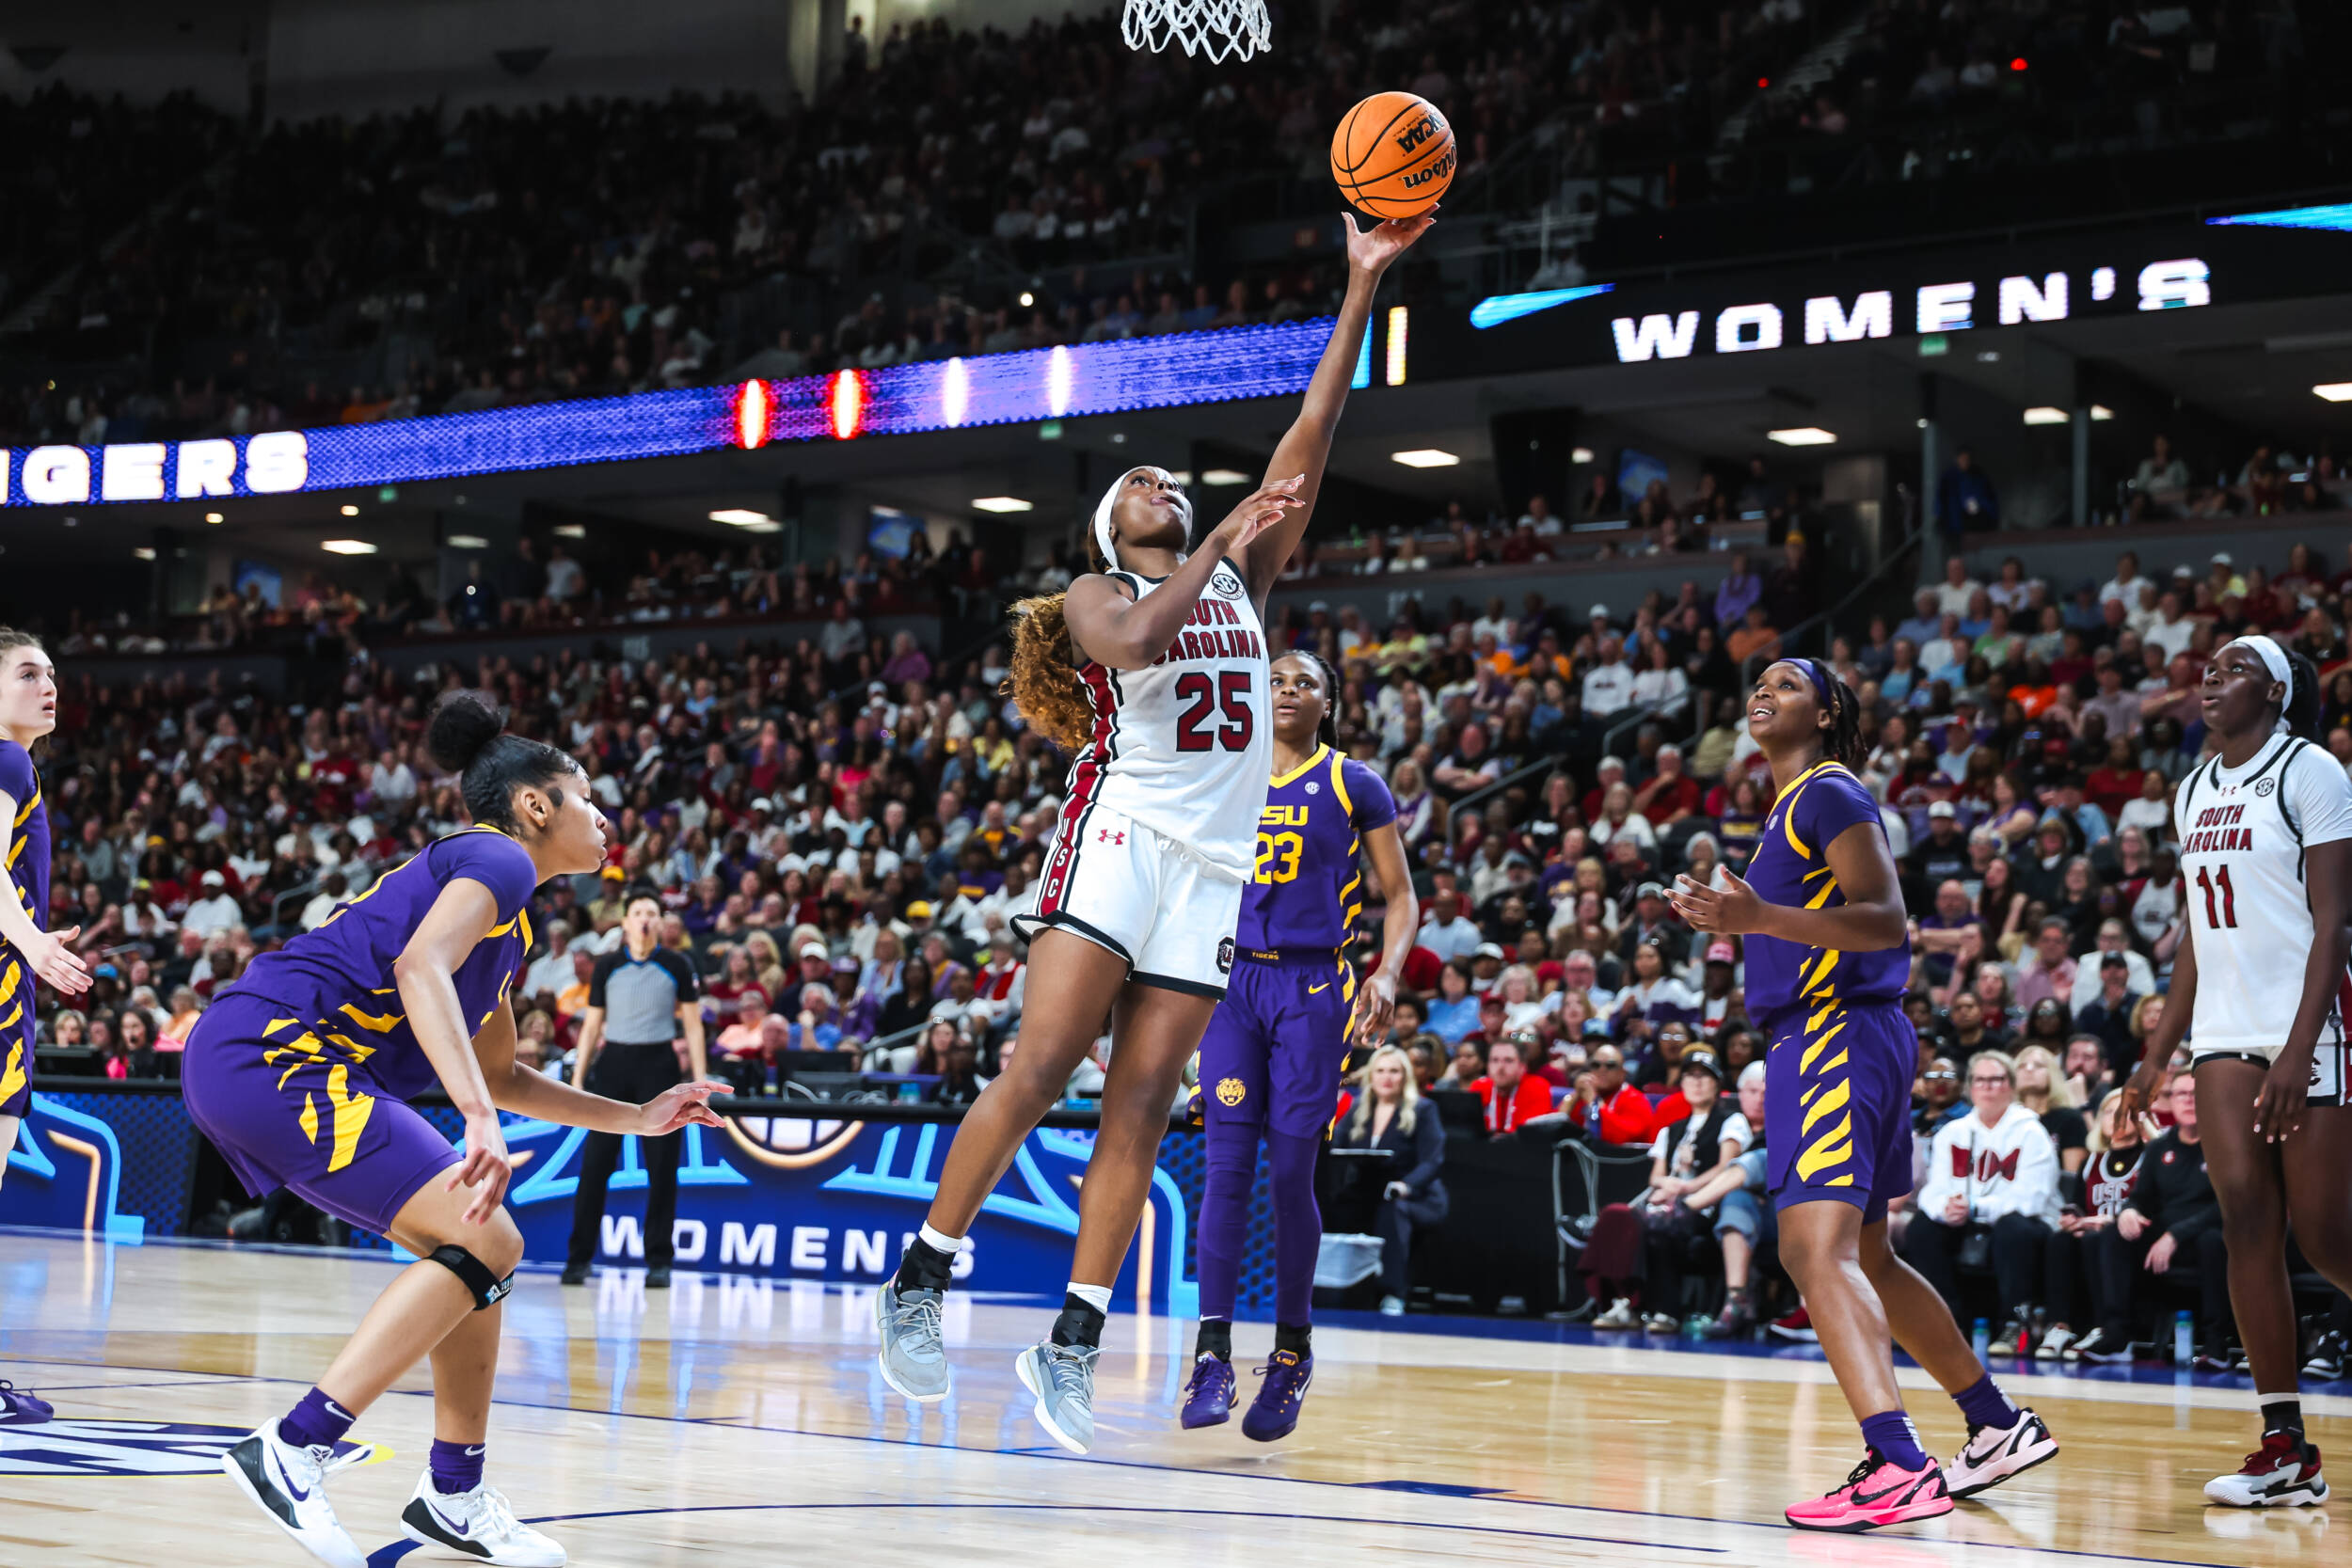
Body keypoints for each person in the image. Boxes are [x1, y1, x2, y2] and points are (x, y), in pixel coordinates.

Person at [876, 209, 1433, 1456]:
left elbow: (1315, 429)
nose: (1166, 485)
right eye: (1141, 484)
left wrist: (1357, 283)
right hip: (1122, 837)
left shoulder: (1240, 573)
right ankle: (921, 1274)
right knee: (1041, 1067)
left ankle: (1067, 1341)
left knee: (1139, 1103)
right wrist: (1223, 541)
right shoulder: (1100, 593)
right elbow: (1135, 647)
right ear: (1108, 529)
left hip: (1212, 875)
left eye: (1176, 484)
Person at [182, 691, 722, 1568]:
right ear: (535, 805)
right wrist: (474, 1117)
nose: (607, 816)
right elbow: (418, 965)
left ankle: (456, 1494)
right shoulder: (497, 858)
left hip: (269, 1057)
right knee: (489, 1233)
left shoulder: (507, 923)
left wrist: (638, 1117)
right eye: (590, 798)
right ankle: (292, 1447)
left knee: (481, 1245)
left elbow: (504, 1073)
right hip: (273, 1052)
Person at [1672, 658, 2055, 1532]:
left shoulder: (1827, 792)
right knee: (1869, 1255)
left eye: (1788, 683)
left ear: (1830, 711)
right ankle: (1995, 1425)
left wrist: (1757, 920)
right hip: (1855, 1034)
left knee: (1814, 1252)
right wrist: (1737, 918)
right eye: (1756, 682)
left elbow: (1886, 918)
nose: (1762, 691)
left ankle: (1896, 1460)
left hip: (1833, 1031)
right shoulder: (1788, 809)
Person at [2120, 634, 2352, 1508]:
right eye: (2209, 669)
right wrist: (2154, 1058)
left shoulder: (2313, 772)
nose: (2213, 679)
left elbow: (2334, 924)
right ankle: (2285, 1445)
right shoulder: (2191, 789)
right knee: (2246, 1222)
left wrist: (2299, 1046)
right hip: (2222, 1028)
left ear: (2279, 692)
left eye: (2237, 669)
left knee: (2328, 1236)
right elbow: (2192, 939)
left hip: (2311, 1025)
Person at [1183, 650, 1418, 1440]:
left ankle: (1291, 1353)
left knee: (1290, 1174)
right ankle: (1211, 1353)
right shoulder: (1225, 772)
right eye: (1276, 678)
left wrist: (1385, 974)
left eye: (1303, 682)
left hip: (1316, 987)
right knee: (1224, 1169)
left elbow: (1403, 897)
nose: (1286, 689)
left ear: (1330, 701)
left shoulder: (1356, 782)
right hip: (1232, 986)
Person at [0, 628, 90, 1430]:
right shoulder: (7, 760)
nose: (48, 684)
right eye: (28, 672)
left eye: (52, 673)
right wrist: (31, 942)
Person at [563, 891, 709, 1289]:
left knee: (663, 1169)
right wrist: (579, 1074)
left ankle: (659, 1260)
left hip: (659, 1065)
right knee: (595, 1167)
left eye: (651, 913)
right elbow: (592, 1025)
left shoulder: (677, 964)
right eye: (638, 912)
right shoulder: (607, 965)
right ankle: (578, 1259)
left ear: (661, 923)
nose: (644, 919)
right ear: (625, 922)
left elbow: (693, 1026)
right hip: (612, 1068)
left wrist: (699, 1079)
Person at [1899, 1050, 2062, 1342]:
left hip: (2025, 1224)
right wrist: (1946, 1208)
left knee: (2013, 1228)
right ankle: (1946, 1321)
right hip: (1968, 1220)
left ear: (2011, 1086)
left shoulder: (2031, 1132)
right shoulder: (1953, 1132)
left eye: (1996, 1079)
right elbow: (1933, 1190)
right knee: (1923, 1228)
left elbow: (2032, 1200)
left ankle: (2014, 1323)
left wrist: (1976, 1208)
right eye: (1980, 1080)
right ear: (1970, 1087)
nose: (1988, 1087)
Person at [1332, 1043, 1447, 1317]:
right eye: (1381, 1070)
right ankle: (1336, 1288)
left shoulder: (1423, 1109)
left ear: (1405, 1076)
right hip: (1367, 1189)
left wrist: (1406, 1186)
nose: (1387, 1077)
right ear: (1371, 1075)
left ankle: (1393, 1293)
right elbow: (1336, 1147)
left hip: (1415, 1195)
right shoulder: (1360, 1108)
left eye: (1394, 1071)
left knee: (1392, 1211)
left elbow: (1432, 1160)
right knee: (1337, 1206)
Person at [2036, 1089, 2145, 1360]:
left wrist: (2112, 1220)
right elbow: (2077, 1204)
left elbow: (2152, 1204)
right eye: (2109, 1111)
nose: (2116, 1117)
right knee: (2060, 1239)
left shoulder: (2150, 1155)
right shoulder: (2091, 1161)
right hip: (2092, 1235)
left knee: (2099, 1239)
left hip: (2132, 1237)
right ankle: (2060, 1325)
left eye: (2124, 1110)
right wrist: (2072, 1217)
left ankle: (2106, 1328)